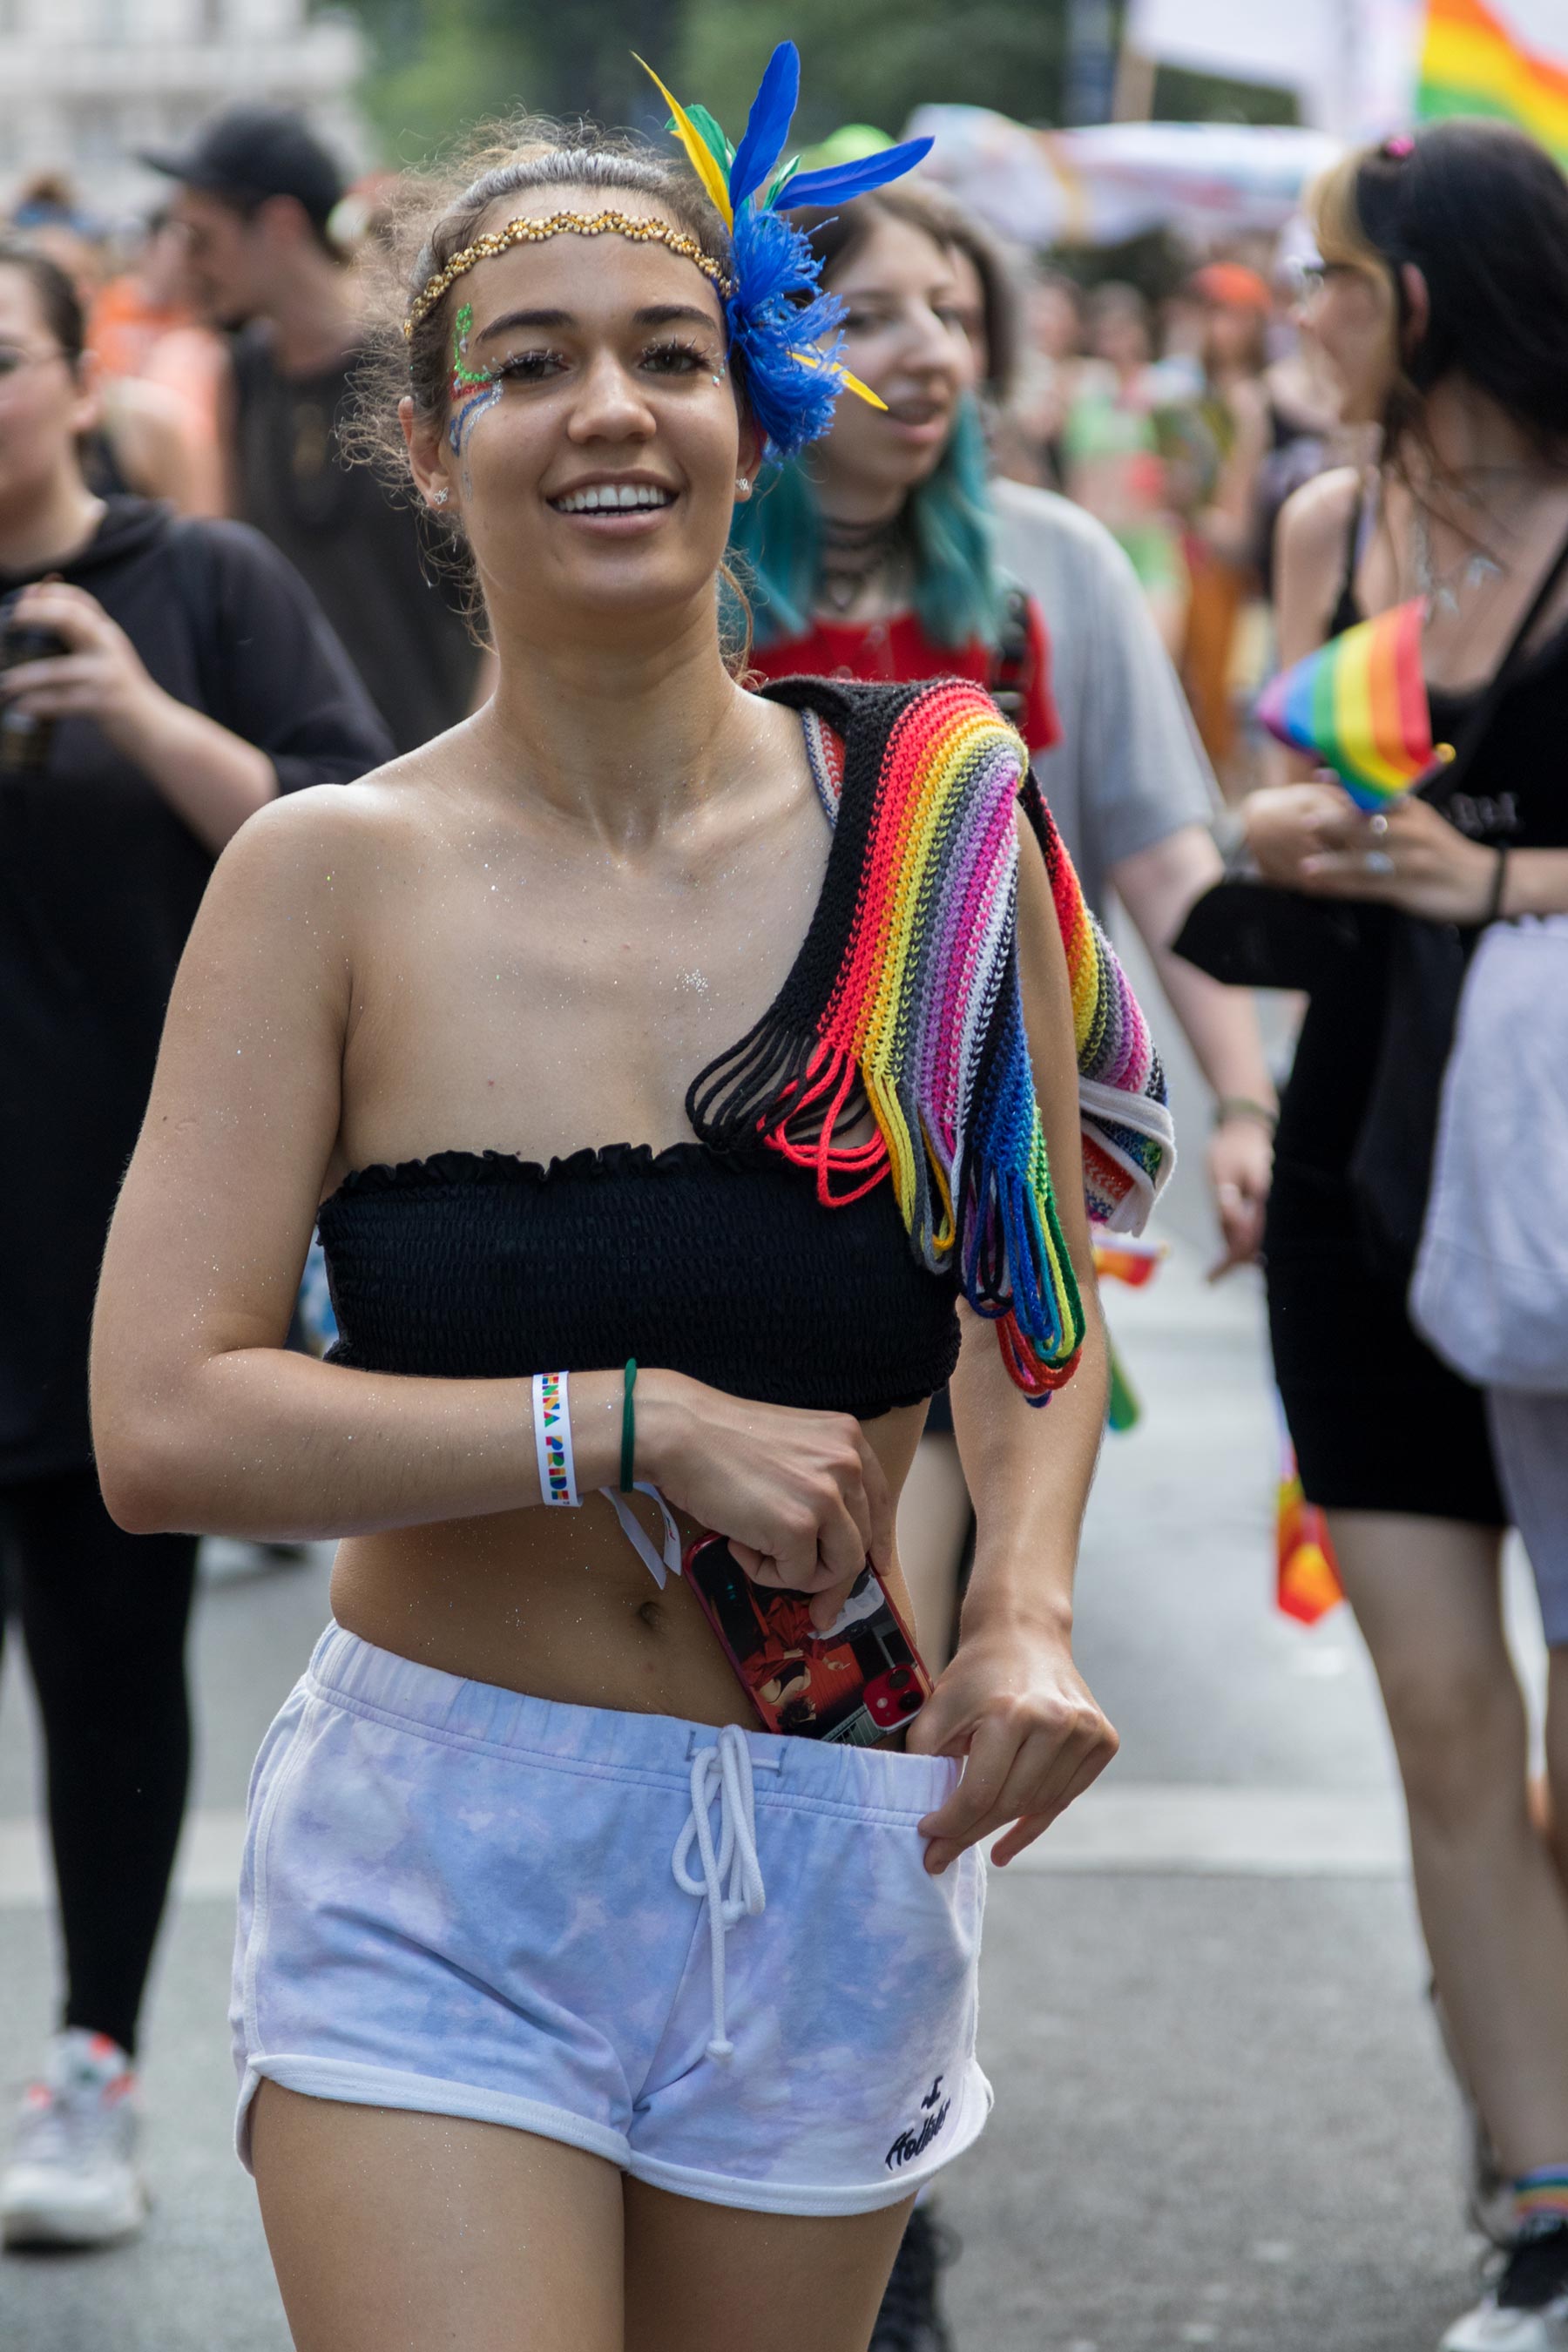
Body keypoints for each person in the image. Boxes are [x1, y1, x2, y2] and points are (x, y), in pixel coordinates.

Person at [86, 56, 1172, 2344]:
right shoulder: (327, 876)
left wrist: (1033, 1608)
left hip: (830, 1844)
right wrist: (630, 1413)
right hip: (441, 1856)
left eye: (672, 355)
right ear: (431, 444)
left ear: (756, 420)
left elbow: (1034, 1308)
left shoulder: (941, 819)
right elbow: (164, 1420)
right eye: (533, 361)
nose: (612, 408)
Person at [736, 180, 1272, 2352]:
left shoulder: (1049, 567)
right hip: (725, 1194)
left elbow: (1156, 844)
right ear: (785, 347)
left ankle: (884, 2189)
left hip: (974, 1222)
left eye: (956, 309)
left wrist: (1238, 1096)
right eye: (871, 311)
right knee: (749, 1685)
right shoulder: (685, 559)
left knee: (913, 1702)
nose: (927, 348)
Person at [0, 242, 390, 2249]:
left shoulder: (201, 583)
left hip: (110, 1225)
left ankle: (91, 2067)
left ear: (80, 377)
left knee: (107, 1666)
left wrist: (138, 714)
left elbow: (340, 829)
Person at [1220, 125, 1568, 2352]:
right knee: (1443, 1713)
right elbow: (1284, 796)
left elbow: (1484, 862)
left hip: (1560, 1186)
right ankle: (1544, 2207)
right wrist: (1284, 833)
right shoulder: (1320, 526)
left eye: (1326, 281)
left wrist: (1503, 881)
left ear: (1420, 299)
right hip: (1364, 1169)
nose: (1294, 312)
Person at [142, 104, 482, 753]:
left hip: (438, 762)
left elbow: (501, 581)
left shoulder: (415, 362)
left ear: (278, 225)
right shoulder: (239, 376)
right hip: (308, 775)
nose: (188, 265)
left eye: (201, 239)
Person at [1060, 281, 1188, 656]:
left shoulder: (1166, 392)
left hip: (1151, 554)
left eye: (1121, 331)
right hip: (1095, 551)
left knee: (1158, 665)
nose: (1111, 342)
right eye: (1103, 332)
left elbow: (1187, 479)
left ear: (1141, 332)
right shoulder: (1080, 390)